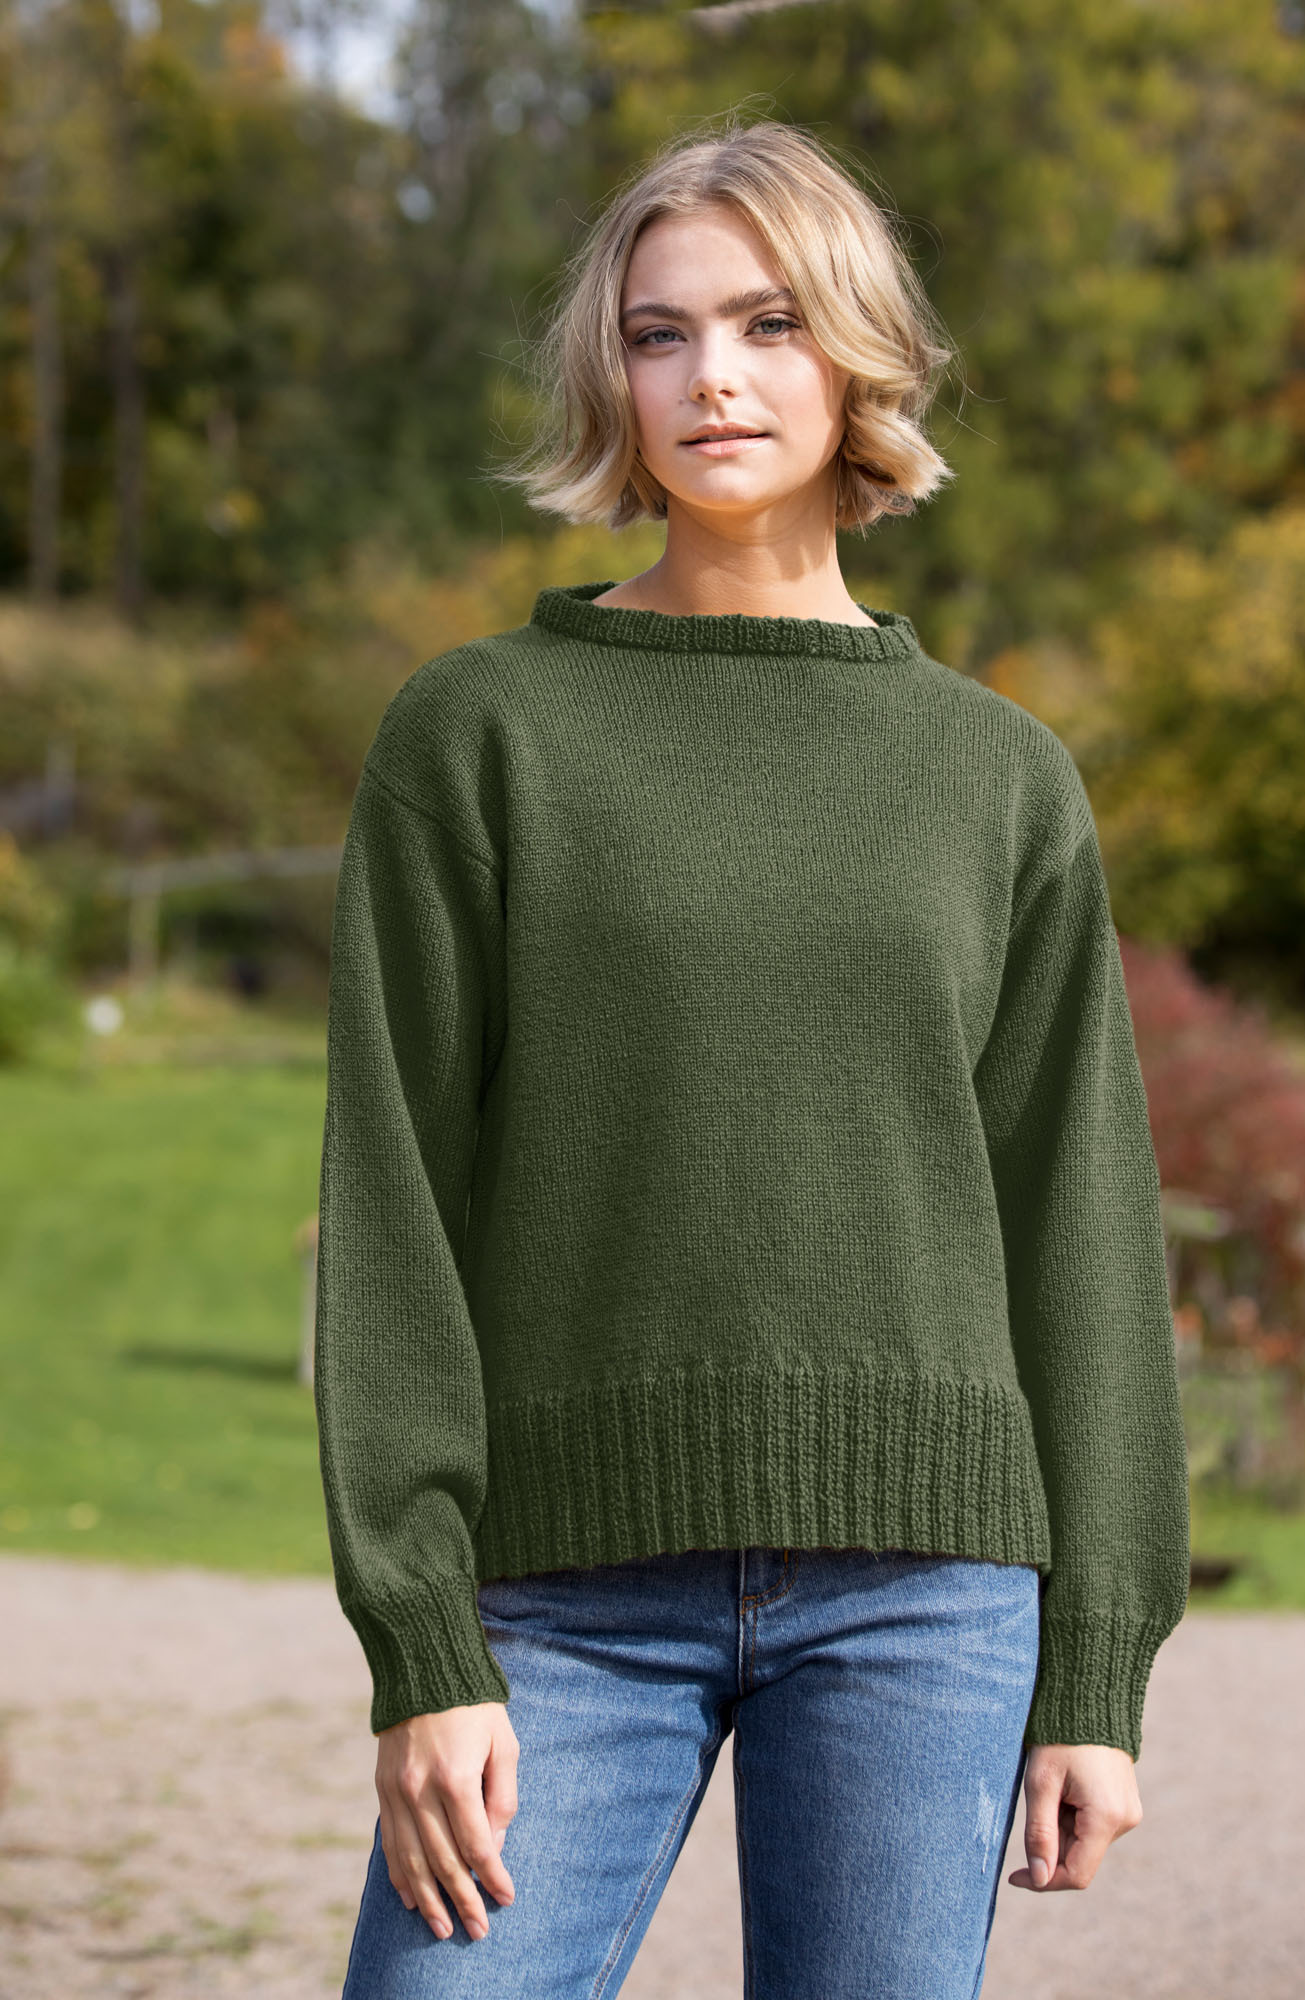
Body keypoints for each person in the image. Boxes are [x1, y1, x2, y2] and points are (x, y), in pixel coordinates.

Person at [314, 116, 1191, 1998]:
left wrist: (1097, 1672)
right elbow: (395, 1203)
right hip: (557, 1601)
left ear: (855, 355)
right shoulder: (478, 736)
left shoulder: (996, 777)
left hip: (927, 1599)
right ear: (610, 377)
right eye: (660, 333)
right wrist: (420, 1644)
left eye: (769, 322)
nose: (711, 375)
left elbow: (1081, 1236)